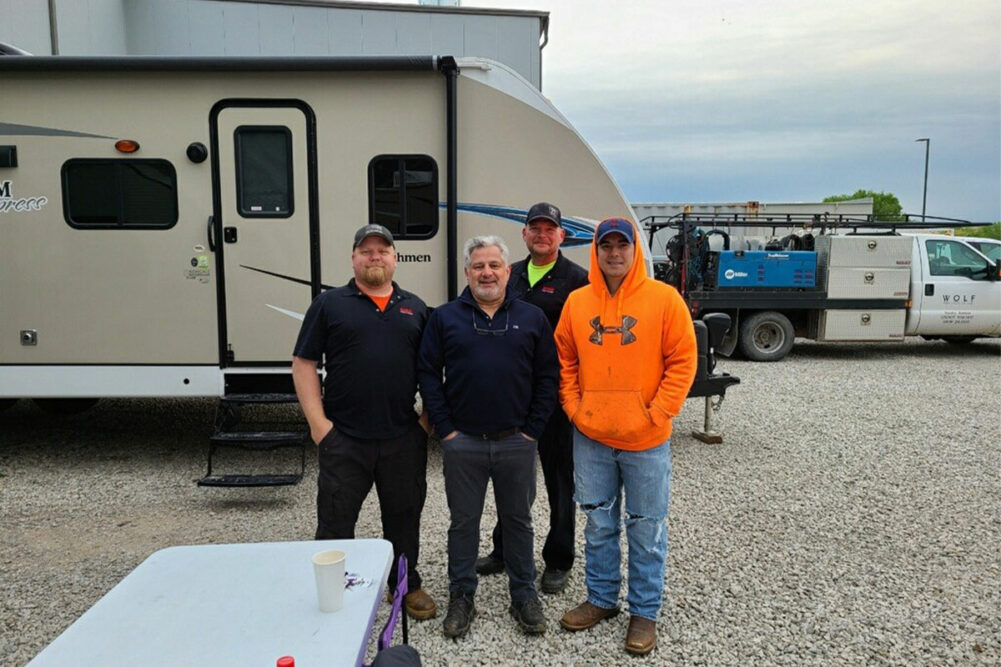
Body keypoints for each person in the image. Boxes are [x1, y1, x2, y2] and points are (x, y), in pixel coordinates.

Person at [554, 217, 697, 656]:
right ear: (595, 252)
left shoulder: (664, 299)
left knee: (646, 527)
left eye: (622, 245)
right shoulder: (578, 302)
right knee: (598, 522)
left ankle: (644, 610)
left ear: (635, 251)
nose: (614, 253)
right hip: (592, 436)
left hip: (646, 439)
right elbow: (566, 360)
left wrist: (659, 413)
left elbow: (683, 361)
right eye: (606, 246)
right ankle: (601, 598)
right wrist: (575, 408)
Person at [292, 223, 436, 621]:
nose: (375, 256)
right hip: (345, 438)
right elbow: (303, 363)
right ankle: (332, 589)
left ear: (394, 257)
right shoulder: (329, 304)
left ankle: (404, 585)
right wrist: (319, 425)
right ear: (354, 258)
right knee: (336, 521)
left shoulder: (416, 308)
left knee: (404, 519)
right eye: (366, 250)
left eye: (382, 250)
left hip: (402, 437)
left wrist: (425, 422)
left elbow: (435, 369)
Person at [417, 235, 558, 638]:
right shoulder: (445, 318)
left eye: (494, 265)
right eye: (478, 266)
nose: (487, 272)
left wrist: (533, 430)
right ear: (467, 272)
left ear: (508, 271)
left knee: (519, 521)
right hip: (464, 443)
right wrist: (446, 428)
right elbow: (427, 372)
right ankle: (462, 596)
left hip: (518, 441)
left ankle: (524, 594)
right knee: (463, 524)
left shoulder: (532, 318)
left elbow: (548, 376)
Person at [475, 202, 588, 594]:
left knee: (560, 482)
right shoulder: (511, 274)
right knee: (513, 480)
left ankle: (559, 559)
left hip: (556, 398)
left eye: (549, 228)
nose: (542, 234)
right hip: (512, 397)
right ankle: (505, 549)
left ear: (562, 235)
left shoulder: (578, 280)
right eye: (534, 228)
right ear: (523, 235)